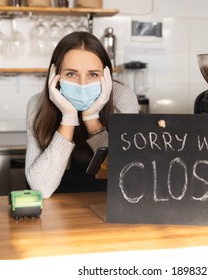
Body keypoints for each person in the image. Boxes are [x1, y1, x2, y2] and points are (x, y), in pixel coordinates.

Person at [25, 31, 139, 198]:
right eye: (71, 74)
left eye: (93, 74)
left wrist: (91, 118)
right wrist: (69, 117)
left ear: (106, 75)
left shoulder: (123, 99)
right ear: (55, 74)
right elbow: (40, 188)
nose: (82, 84)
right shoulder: (37, 105)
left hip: (109, 203)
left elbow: (130, 178)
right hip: (56, 207)